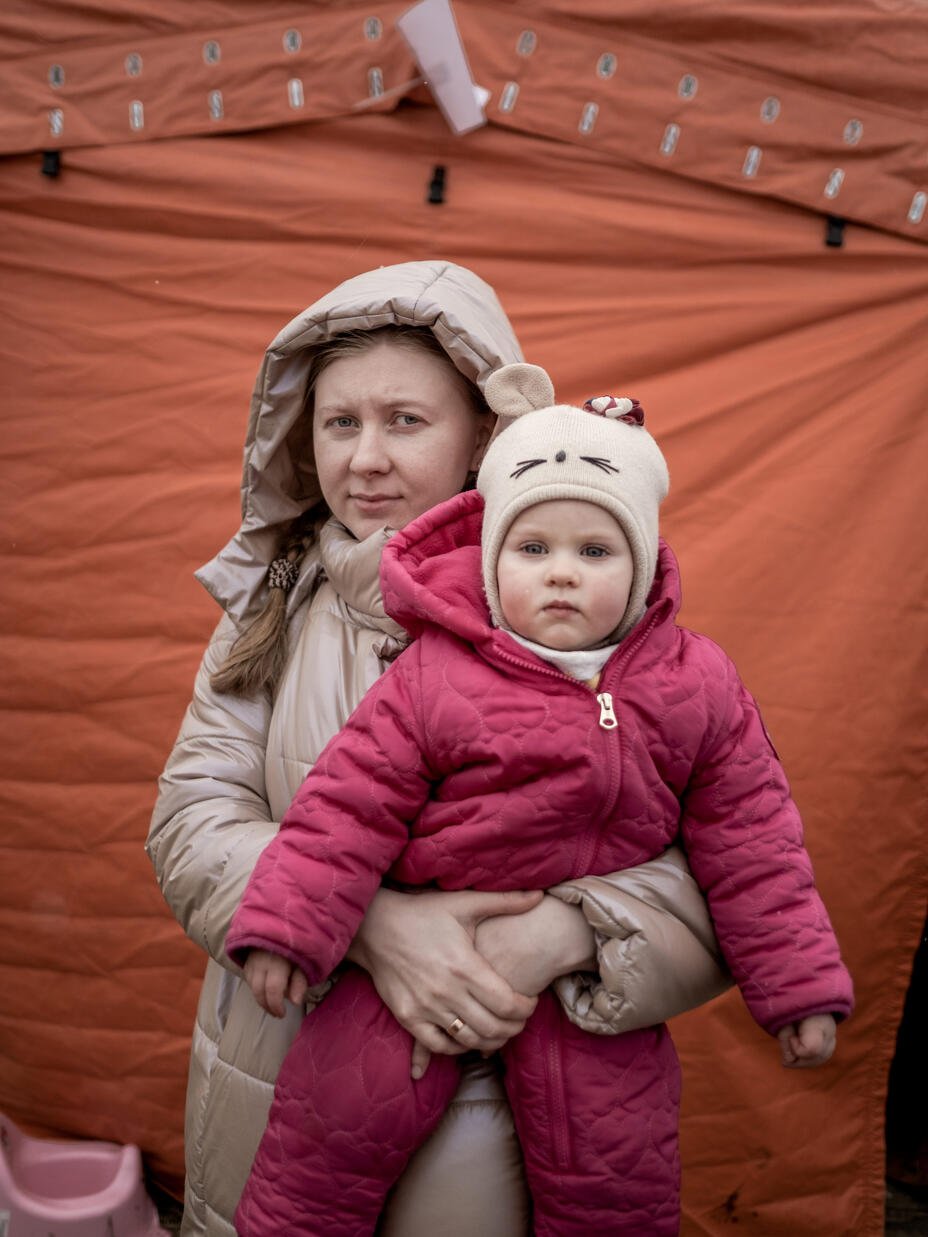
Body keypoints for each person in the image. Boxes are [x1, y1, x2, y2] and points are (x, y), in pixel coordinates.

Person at [147, 263, 729, 1237]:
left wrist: (568, 932)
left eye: (405, 421)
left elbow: (734, 854)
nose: (365, 458)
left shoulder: (583, 611)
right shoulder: (273, 609)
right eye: (340, 424)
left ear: (480, 439)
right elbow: (191, 819)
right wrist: (367, 922)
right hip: (278, 1077)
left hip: (504, 1117)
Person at [225, 362, 854, 1237]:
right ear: (491, 562)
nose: (562, 573)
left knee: (615, 1171)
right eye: (534, 549)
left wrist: (797, 988)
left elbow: (754, 841)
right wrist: (289, 927)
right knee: (324, 1136)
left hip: (585, 989)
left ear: (640, 566)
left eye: (594, 552)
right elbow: (345, 805)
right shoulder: (437, 675)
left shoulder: (695, 683)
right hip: (414, 957)